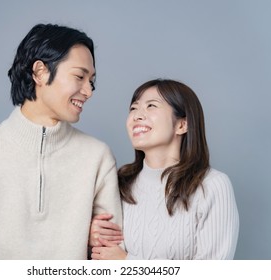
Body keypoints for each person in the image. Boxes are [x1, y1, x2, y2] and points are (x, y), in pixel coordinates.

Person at [0, 23, 122, 260]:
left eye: (91, 81)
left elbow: (111, 258)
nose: (89, 91)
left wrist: (89, 240)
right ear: (40, 72)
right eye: (79, 76)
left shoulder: (97, 157)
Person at [90, 79, 239, 260]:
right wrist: (90, 235)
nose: (137, 115)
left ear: (182, 125)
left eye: (151, 106)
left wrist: (126, 263)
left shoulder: (212, 186)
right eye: (133, 108)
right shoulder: (118, 181)